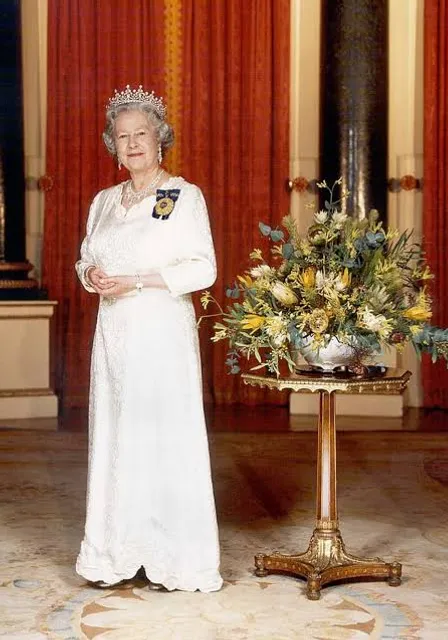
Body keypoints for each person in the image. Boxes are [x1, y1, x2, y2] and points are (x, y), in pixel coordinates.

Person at [75, 85, 223, 593]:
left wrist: (136, 282)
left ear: (161, 140)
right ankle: (117, 552)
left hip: (159, 331)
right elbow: (85, 257)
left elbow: (202, 267)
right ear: (112, 145)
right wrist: (91, 272)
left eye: (142, 134)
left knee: (161, 435)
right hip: (113, 335)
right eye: (123, 136)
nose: (133, 144)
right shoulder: (103, 202)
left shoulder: (180, 195)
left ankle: (174, 558)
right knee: (118, 436)